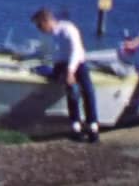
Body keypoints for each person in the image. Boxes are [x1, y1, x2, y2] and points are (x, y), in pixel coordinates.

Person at [30, 8, 99, 143]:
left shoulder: (68, 29)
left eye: (39, 25)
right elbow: (59, 55)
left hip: (78, 62)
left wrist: (70, 71)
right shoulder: (54, 34)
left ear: (46, 21)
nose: (39, 29)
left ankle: (93, 126)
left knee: (87, 91)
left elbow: (76, 51)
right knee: (72, 92)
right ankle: (76, 126)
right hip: (63, 63)